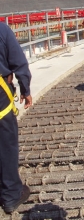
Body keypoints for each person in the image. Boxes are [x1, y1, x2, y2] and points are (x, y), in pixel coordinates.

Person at [0, 22, 32, 214]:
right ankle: (11, 194)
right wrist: (25, 89)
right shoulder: (2, 30)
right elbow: (19, 62)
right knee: (6, 143)